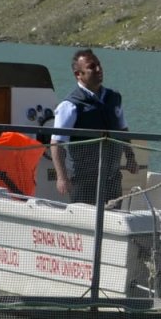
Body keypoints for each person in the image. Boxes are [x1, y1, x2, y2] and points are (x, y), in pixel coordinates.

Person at [50, 49, 138, 206]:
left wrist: (130, 156)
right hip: (84, 180)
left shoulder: (114, 98)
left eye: (99, 65)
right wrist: (62, 177)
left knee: (113, 218)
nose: (99, 69)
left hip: (111, 177)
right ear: (79, 74)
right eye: (92, 67)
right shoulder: (70, 105)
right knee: (86, 222)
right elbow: (56, 144)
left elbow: (123, 130)